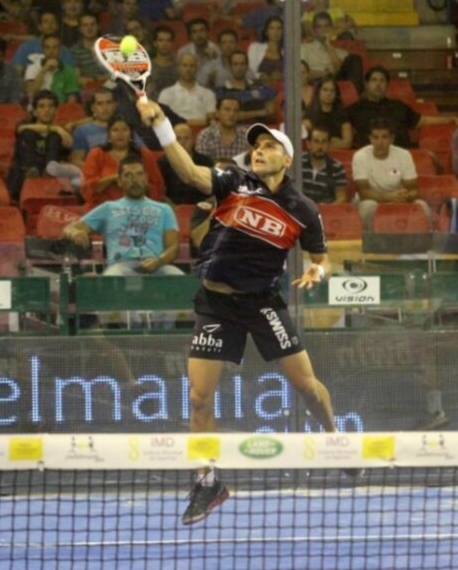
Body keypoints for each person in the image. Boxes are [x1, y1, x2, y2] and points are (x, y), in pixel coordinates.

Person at [137, 99, 343, 526]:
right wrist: (161, 127)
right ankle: (209, 481)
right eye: (255, 146)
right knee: (197, 396)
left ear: (287, 158)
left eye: (269, 146)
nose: (259, 151)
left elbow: (323, 258)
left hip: (262, 303)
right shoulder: (233, 182)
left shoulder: (302, 209)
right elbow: (191, 174)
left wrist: (317, 273)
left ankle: (335, 440)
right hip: (216, 303)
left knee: (306, 387)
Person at [64, 153, 183, 278]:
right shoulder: (108, 208)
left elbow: (173, 248)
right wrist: (74, 232)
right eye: (128, 175)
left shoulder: (164, 209)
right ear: (119, 181)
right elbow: (69, 229)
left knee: (180, 279)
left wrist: (158, 261)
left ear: (146, 178)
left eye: (139, 174)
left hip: (158, 265)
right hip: (120, 266)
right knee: (111, 278)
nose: (134, 180)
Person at [346, 65, 458, 149]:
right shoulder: (354, 109)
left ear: (387, 85)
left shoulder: (398, 105)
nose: (378, 84)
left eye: (382, 81)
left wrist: (451, 118)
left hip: (403, 156)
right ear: (366, 84)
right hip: (371, 158)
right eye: (374, 80)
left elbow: (424, 120)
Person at [352, 117, 430, 230]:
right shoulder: (360, 156)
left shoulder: (404, 155)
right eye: (375, 137)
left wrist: (406, 196)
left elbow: (414, 191)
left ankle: (421, 244)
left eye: (384, 137)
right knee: (368, 207)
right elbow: (363, 192)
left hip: (399, 198)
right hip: (371, 199)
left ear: (392, 139)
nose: (380, 142)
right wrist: (388, 197)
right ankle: (370, 244)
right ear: (370, 139)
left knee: (423, 206)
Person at [81, 116, 164, 209]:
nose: (120, 134)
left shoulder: (144, 154)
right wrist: (113, 178)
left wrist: (136, 181)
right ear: (109, 134)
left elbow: (158, 187)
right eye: (115, 130)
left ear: (131, 134)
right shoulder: (96, 154)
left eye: (124, 130)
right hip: (102, 209)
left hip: (139, 208)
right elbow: (87, 189)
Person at [7, 89, 73, 200]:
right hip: (23, 180)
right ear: (35, 111)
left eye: (50, 106)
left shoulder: (60, 133)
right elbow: (21, 129)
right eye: (41, 106)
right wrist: (55, 128)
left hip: (52, 182)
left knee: (54, 137)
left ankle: (49, 170)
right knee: (29, 134)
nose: (46, 110)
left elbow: (69, 143)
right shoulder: (25, 126)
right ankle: (31, 170)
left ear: (56, 110)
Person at [300, 12, 363, 94]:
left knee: (354, 59)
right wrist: (325, 74)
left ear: (331, 29)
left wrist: (329, 47)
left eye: (326, 26)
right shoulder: (304, 48)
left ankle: (355, 96)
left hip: (336, 82)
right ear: (314, 30)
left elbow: (340, 70)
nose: (323, 30)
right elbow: (302, 73)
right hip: (316, 82)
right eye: (319, 27)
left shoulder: (341, 52)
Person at [215, 50, 277, 125]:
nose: (239, 68)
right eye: (235, 64)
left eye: (242, 64)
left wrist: (268, 111)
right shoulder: (222, 91)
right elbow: (228, 116)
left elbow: (270, 111)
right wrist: (259, 113)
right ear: (230, 67)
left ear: (247, 66)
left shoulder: (259, 87)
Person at [159, 123, 212, 205]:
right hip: (173, 207)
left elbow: (213, 189)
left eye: (186, 138)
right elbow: (160, 192)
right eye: (178, 139)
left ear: (194, 140)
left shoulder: (206, 161)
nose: (183, 142)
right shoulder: (163, 163)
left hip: (202, 207)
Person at [157, 53, 216, 126]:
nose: (188, 69)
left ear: (197, 68)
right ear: (178, 68)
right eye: (185, 65)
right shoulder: (166, 93)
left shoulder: (208, 94)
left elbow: (211, 120)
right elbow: (161, 119)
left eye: (192, 66)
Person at [24, 34, 80, 103]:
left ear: (60, 49)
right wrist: (44, 70)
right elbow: (31, 93)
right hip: (38, 111)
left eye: (55, 47)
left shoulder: (68, 70)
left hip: (60, 109)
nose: (51, 51)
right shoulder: (32, 68)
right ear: (42, 49)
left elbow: (72, 99)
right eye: (47, 47)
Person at [301, 126, 349, 204]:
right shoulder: (298, 163)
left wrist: (327, 208)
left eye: (324, 142)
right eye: (316, 142)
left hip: (327, 212)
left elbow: (341, 198)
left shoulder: (337, 167)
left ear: (329, 144)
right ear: (308, 144)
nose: (320, 146)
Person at [303, 76, 353, 149]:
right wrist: (332, 143)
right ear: (318, 92)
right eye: (325, 90)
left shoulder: (343, 115)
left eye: (332, 91)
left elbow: (347, 143)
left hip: (338, 155)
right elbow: (308, 144)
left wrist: (321, 144)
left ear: (336, 94)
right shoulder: (309, 114)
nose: (328, 93)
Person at [194, 96, 248, 162]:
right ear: (217, 113)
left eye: (235, 110)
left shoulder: (246, 136)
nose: (231, 114)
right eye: (227, 110)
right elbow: (202, 164)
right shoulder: (206, 135)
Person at [177, 18, 221, 89]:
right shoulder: (184, 52)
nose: (199, 35)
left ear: (207, 32)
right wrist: (201, 57)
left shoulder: (216, 50)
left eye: (202, 30)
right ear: (190, 35)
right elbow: (182, 75)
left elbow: (217, 76)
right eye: (194, 32)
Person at [70, 12, 108, 87]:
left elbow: (115, 74)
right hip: (87, 91)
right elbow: (77, 79)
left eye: (92, 24)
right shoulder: (74, 51)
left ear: (99, 26)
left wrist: (94, 79)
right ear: (80, 29)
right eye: (85, 25)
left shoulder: (109, 47)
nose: (89, 28)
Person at [247, 17, 284, 81]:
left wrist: (282, 75)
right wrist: (260, 75)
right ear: (266, 32)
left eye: (279, 28)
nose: (275, 32)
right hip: (259, 85)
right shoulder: (255, 47)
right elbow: (249, 71)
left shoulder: (287, 51)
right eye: (272, 28)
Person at [147, 25, 179, 99]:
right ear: (155, 43)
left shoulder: (179, 65)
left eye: (168, 40)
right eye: (161, 40)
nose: (165, 44)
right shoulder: (148, 66)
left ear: (172, 43)